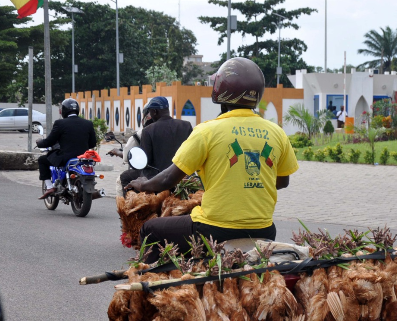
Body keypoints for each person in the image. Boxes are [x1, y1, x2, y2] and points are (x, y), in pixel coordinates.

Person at [126, 57, 299, 263]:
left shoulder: (207, 131)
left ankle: (153, 285)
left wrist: (142, 184)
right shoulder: (277, 133)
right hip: (264, 230)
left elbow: (167, 180)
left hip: (213, 230)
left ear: (221, 91)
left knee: (150, 229)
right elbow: (282, 181)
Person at [118, 97, 192, 196]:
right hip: (184, 176)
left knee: (125, 176)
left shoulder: (148, 130)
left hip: (157, 178)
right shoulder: (186, 126)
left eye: (150, 112)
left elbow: (144, 161)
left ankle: (130, 209)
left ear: (155, 111)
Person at [37, 99, 96, 200]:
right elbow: (92, 143)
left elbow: (49, 141)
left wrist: (40, 143)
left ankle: (50, 187)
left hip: (66, 158)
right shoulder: (88, 123)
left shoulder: (60, 123)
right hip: (83, 158)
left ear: (63, 111)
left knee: (42, 160)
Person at [107, 105, 154, 197]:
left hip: (150, 171)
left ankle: (126, 207)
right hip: (171, 171)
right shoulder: (175, 128)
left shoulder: (142, 133)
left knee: (121, 179)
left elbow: (127, 156)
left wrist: (118, 152)